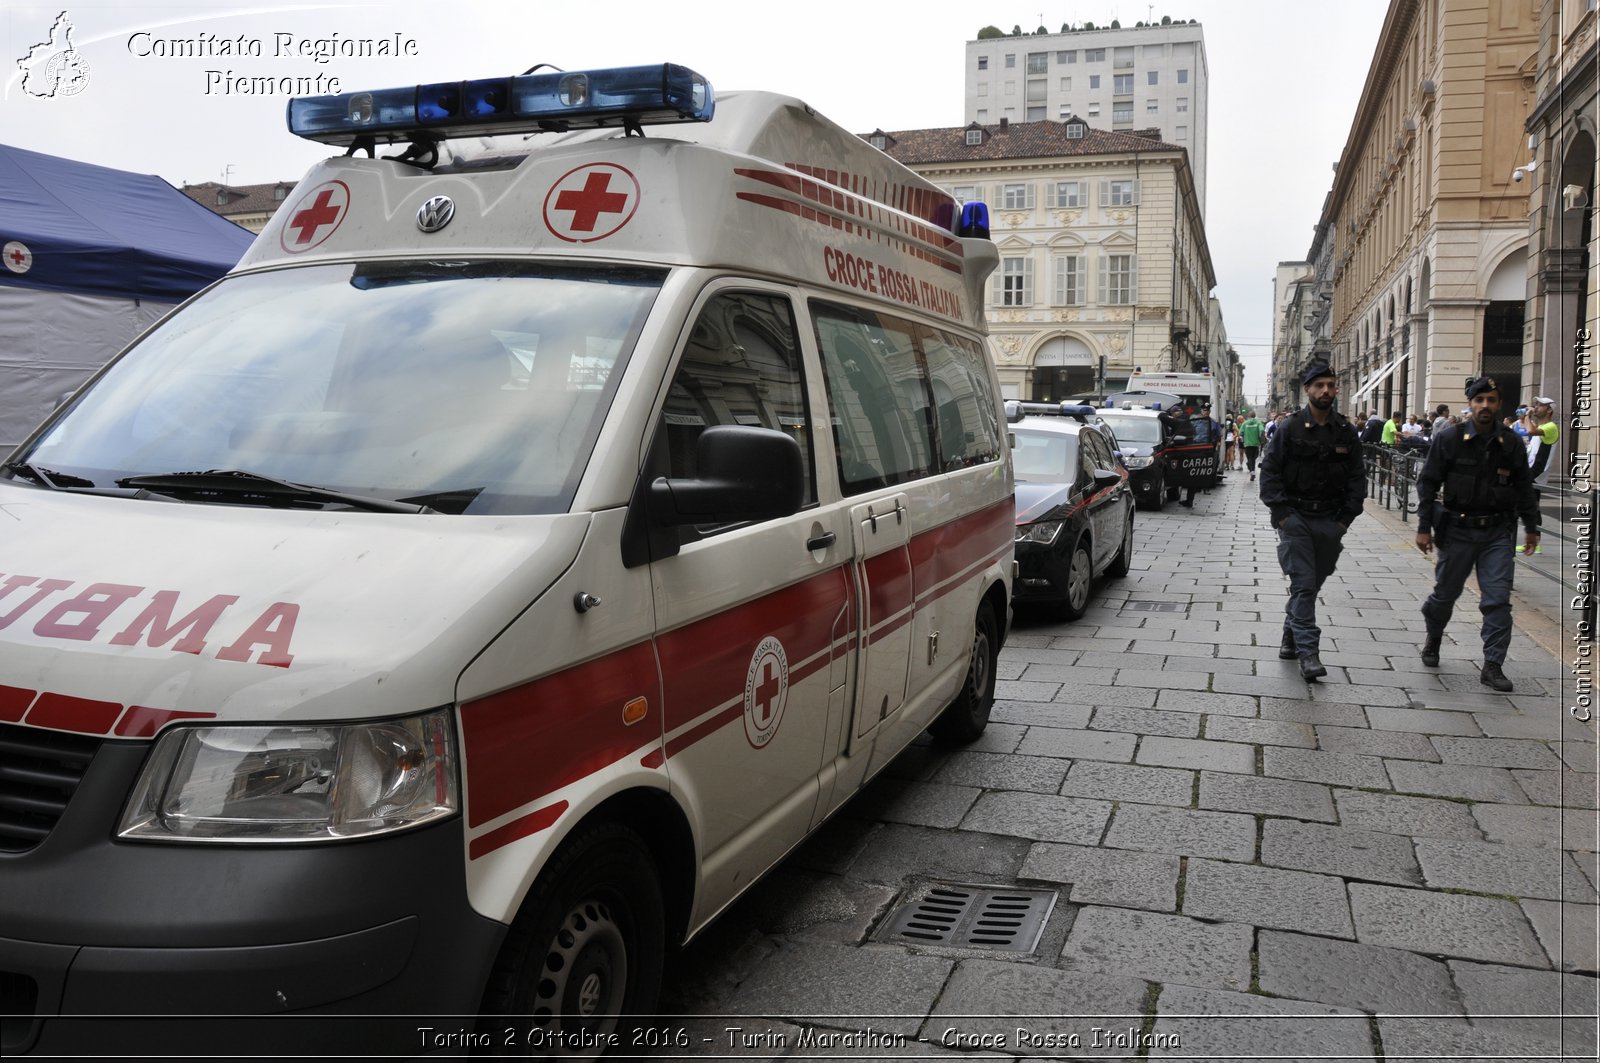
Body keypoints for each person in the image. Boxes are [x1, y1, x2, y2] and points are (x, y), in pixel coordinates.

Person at [1414, 376, 1541, 691]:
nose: (1485, 406)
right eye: (1480, 400)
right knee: (1444, 596)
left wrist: (1531, 526)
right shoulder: (1449, 439)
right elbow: (1428, 482)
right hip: (1457, 530)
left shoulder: (1510, 442)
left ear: (1499, 405)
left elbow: (1524, 485)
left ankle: (1493, 665)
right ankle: (1434, 635)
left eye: (1492, 401)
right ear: (1470, 403)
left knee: (1498, 600)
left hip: (1497, 532)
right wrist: (1423, 527)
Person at [1259, 361, 1365, 681]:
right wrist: (1283, 516)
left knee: (1311, 585)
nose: (1326, 391)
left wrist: (1344, 520)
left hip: (1330, 522)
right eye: (1319, 385)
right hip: (1296, 519)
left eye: (1331, 385)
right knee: (1304, 584)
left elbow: (1357, 479)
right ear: (1307, 389)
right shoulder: (1289, 428)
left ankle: (1291, 633)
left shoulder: (1346, 432)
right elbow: (1270, 472)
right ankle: (1309, 654)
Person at [1239, 411, 1267, 481]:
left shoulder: (1245, 423)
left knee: (1250, 458)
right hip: (1256, 444)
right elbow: (1262, 431)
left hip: (1247, 444)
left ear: (1249, 416)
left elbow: (1240, 433)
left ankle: (1251, 469)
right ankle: (1252, 472)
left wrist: (1242, 441)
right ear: (1255, 415)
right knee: (1254, 457)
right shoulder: (1258, 423)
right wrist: (1262, 440)